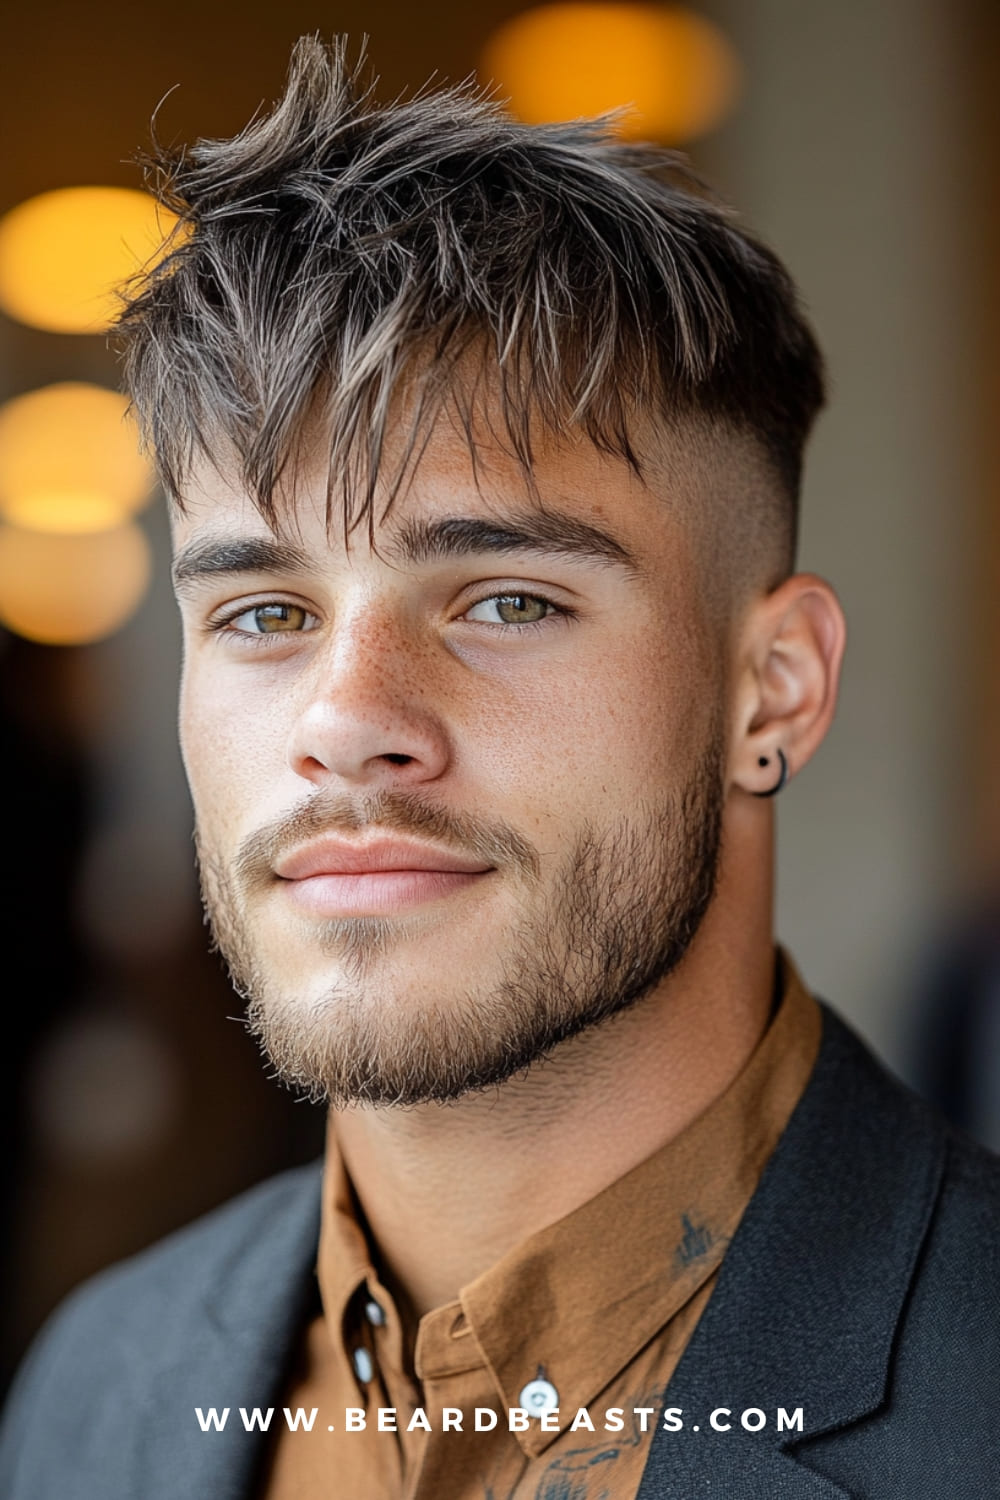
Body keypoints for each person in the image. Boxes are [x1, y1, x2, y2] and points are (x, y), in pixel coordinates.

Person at [2, 34, 999, 1500]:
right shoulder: (94, 1386)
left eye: (509, 601)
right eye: (265, 614)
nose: (346, 720)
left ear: (773, 689)